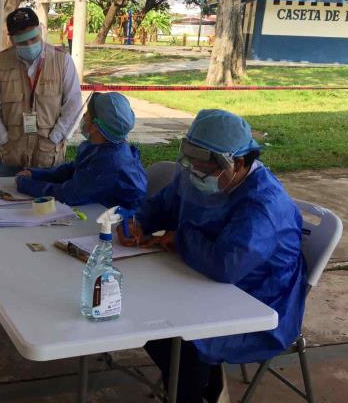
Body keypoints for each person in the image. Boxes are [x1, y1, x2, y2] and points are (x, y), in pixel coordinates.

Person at [119, 109, 307, 403]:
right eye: (192, 162)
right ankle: (198, 381)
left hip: (257, 297)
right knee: (144, 312)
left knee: (179, 336)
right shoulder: (198, 174)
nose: (194, 172)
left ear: (239, 163)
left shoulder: (263, 206)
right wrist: (138, 222)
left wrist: (180, 239)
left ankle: (198, 388)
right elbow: (163, 204)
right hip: (199, 277)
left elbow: (226, 266)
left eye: (203, 167)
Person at [0, 7, 83, 177]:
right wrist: (3, 140)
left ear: (40, 30)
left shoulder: (62, 60)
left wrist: (54, 139)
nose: (29, 45)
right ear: (12, 40)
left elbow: (73, 104)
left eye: (33, 39)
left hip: (48, 156)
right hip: (12, 153)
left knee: (47, 202)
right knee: (8, 199)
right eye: (21, 42)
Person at [15, 92, 147, 209]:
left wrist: (25, 184)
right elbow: (72, 169)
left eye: (87, 114)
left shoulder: (111, 163)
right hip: (98, 209)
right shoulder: (101, 146)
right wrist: (35, 174)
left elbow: (69, 194)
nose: (83, 117)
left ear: (95, 126)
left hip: (117, 224)